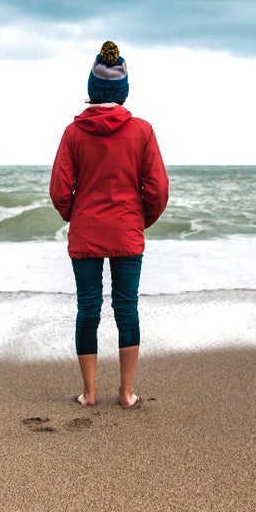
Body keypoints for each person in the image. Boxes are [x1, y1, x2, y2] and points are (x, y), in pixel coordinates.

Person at [50, 41, 169, 409]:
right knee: (126, 308)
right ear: (123, 90)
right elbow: (158, 188)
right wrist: (140, 219)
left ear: (92, 88)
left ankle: (89, 394)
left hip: (86, 232)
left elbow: (59, 190)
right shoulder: (142, 131)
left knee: (88, 310)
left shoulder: (73, 133)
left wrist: (76, 214)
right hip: (126, 232)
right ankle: (126, 394)